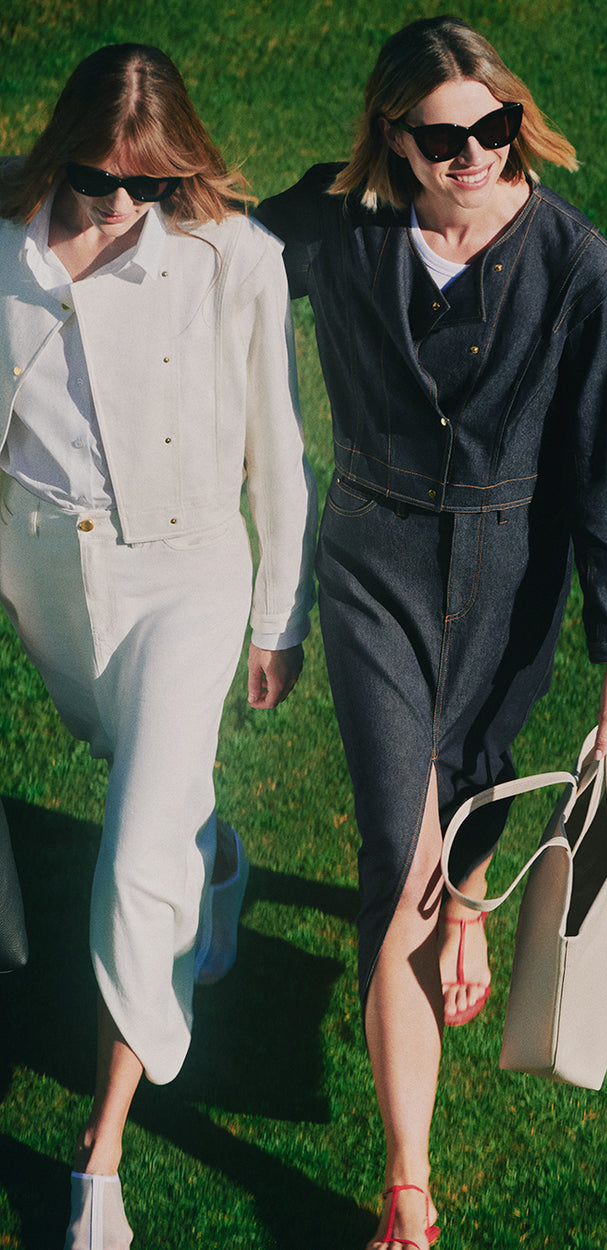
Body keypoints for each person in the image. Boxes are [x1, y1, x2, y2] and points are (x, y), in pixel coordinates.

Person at [256, 16, 607, 1248]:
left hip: (511, 575)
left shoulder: (582, 270)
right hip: (371, 562)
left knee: (473, 778)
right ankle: (409, 1184)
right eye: (444, 136)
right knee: (400, 856)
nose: (474, 153)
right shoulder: (337, 218)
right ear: (393, 134)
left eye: (495, 127)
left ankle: (472, 896)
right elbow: (205, 250)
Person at [0, 43, 317, 1249]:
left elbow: (277, 449)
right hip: (46, 574)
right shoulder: (10, 248)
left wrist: (277, 612)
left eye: (151, 185)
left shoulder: (235, 258)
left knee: (133, 863)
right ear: (62, 151)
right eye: (97, 179)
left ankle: (101, 1155)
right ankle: (215, 864)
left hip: (186, 577)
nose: (124, 208)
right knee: (149, 797)